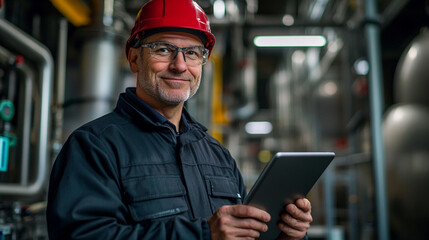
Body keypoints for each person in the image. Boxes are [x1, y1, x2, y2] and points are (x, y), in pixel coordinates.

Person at [46, 0, 313, 239]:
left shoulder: (217, 155)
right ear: (134, 58)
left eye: (193, 53)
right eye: (163, 49)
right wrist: (202, 235)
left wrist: (283, 234)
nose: (180, 65)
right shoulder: (94, 147)